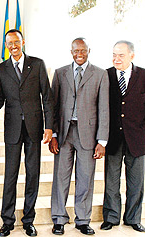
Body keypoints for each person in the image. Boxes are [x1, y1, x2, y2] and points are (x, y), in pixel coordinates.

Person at [0, 29, 54, 236]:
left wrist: (49, 127)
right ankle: (7, 221)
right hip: (13, 129)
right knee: (10, 176)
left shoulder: (38, 64)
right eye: (8, 43)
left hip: (34, 128)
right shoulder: (1, 69)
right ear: (5, 45)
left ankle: (28, 220)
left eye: (16, 42)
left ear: (23, 42)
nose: (13, 46)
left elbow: (47, 98)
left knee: (33, 175)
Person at [49, 37, 109, 235]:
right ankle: (59, 219)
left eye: (82, 50)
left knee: (85, 178)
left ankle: (83, 220)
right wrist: (54, 134)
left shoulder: (100, 74)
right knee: (60, 177)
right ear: (71, 51)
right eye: (76, 51)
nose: (79, 54)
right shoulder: (59, 73)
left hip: (88, 135)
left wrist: (102, 140)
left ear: (89, 50)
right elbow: (53, 106)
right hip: (65, 134)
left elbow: (104, 109)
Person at [100, 40, 145, 232]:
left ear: (132, 56)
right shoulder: (105, 75)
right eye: (114, 55)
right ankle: (111, 217)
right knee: (111, 181)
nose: (116, 59)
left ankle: (133, 219)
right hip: (113, 138)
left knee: (136, 181)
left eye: (121, 55)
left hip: (138, 137)